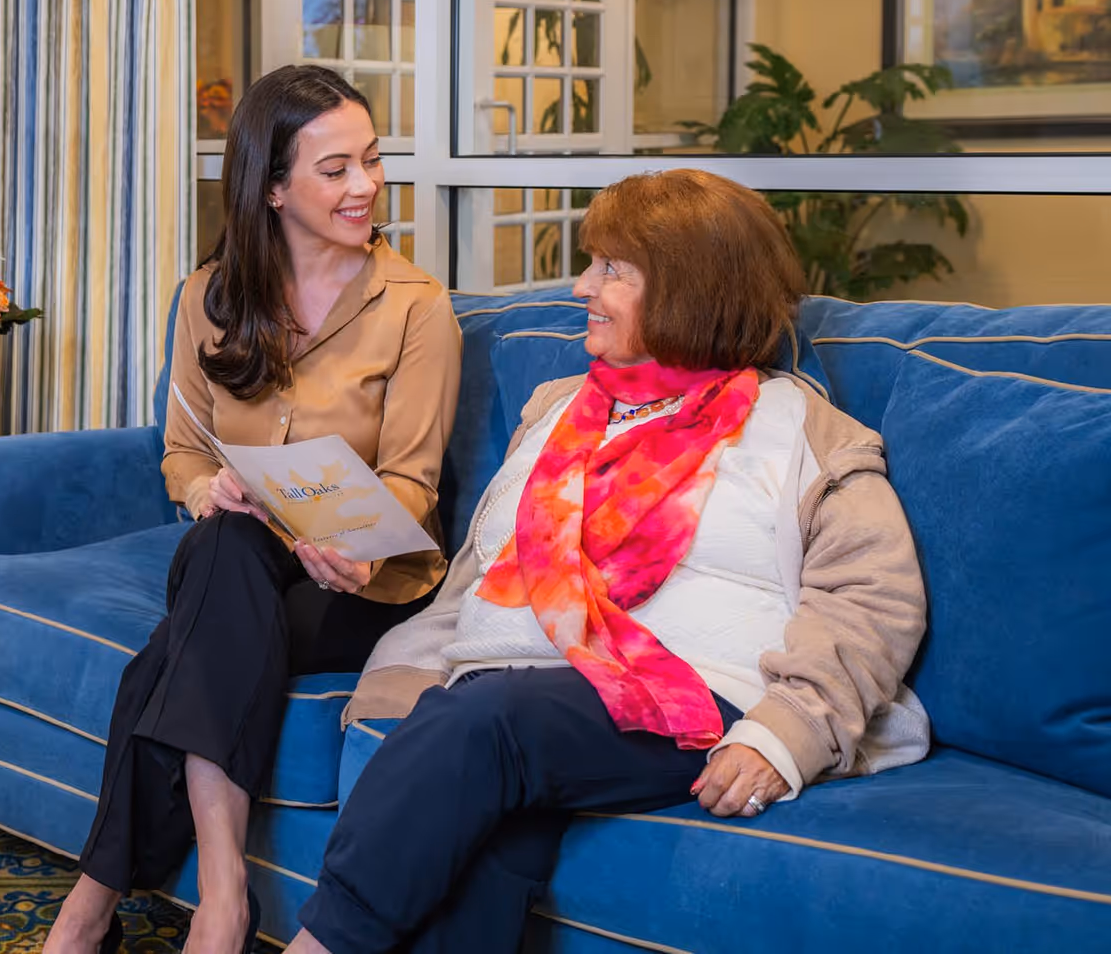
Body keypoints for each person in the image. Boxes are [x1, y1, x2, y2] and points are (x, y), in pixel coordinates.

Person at [282, 169, 931, 954]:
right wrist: (406, 678)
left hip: (691, 695)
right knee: (485, 827)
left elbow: (873, 599)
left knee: (484, 722)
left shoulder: (801, 429)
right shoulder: (557, 408)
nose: (582, 284)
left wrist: (786, 731)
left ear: (689, 289)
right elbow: (483, 569)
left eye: (611, 269)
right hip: (521, 696)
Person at [43, 65, 463, 954]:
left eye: (372, 161)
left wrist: (359, 552)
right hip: (247, 558)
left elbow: (415, 487)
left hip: (363, 578)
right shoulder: (208, 297)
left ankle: (91, 908)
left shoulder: (419, 310)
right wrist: (207, 487)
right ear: (271, 188)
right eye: (336, 169)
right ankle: (226, 898)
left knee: (163, 659)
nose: (367, 187)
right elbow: (184, 454)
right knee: (226, 541)